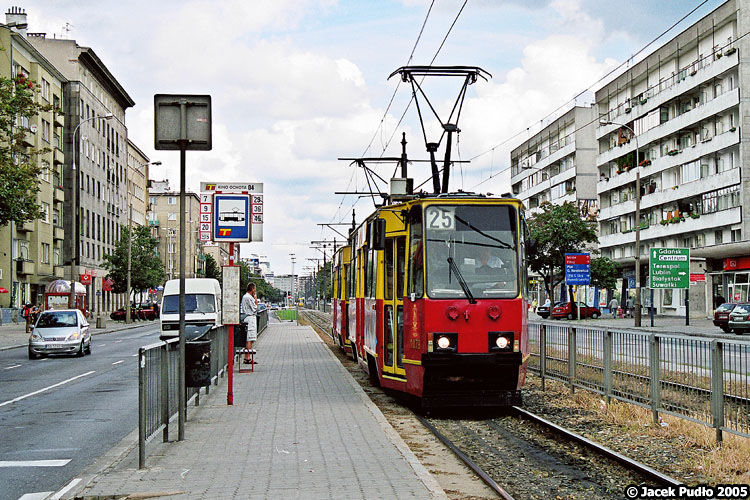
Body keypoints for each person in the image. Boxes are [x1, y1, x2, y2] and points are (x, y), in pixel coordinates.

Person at [241, 282, 258, 364]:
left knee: (247, 338)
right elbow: (255, 308)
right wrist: (255, 299)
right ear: (252, 289)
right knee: (249, 339)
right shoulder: (249, 298)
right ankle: (248, 358)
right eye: (254, 289)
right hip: (250, 318)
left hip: (246, 317)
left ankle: (246, 357)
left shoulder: (244, 297)